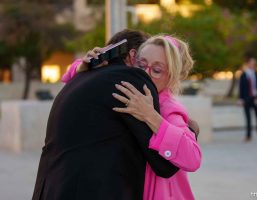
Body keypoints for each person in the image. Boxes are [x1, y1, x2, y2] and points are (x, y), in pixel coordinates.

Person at [32, 29, 179, 200]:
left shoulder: (80, 77)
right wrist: (192, 128)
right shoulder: (131, 82)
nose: (146, 73)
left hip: (50, 189)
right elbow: (165, 165)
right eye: (142, 63)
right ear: (133, 56)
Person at [63, 35, 202, 199]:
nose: (145, 74)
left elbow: (193, 158)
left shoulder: (168, 108)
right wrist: (83, 66)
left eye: (157, 70)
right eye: (141, 65)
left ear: (171, 77)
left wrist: (151, 115)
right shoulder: (133, 90)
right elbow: (68, 77)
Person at [238, 57, 257, 142]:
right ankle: (248, 135)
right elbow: (241, 88)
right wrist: (240, 99)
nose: (253, 65)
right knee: (248, 118)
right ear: (248, 64)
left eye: (254, 63)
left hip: (255, 98)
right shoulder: (243, 75)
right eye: (252, 63)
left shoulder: (256, 74)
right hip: (246, 99)